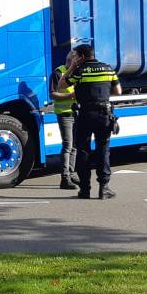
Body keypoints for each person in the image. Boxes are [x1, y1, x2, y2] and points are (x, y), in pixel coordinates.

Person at [59, 44, 122, 200]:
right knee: (103, 150)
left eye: (75, 56)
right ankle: (104, 188)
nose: (74, 59)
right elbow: (118, 91)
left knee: (83, 151)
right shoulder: (108, 69)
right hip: (104, 115)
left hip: (85, 115)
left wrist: (72, 67)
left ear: (81, 56)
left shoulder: (80, 71)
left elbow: (61, 86)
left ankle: (85, 190)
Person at [50, 51, 81, 190]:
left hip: (76, 112)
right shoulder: (59, 72)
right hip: (64, 113)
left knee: (74, 145)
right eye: (76, 62)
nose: (78, 65)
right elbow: (53, 94)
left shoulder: (77, 72)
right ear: (70, 61)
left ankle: (71, 172)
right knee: (68, 145)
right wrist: (70, 95)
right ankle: (65, 178)